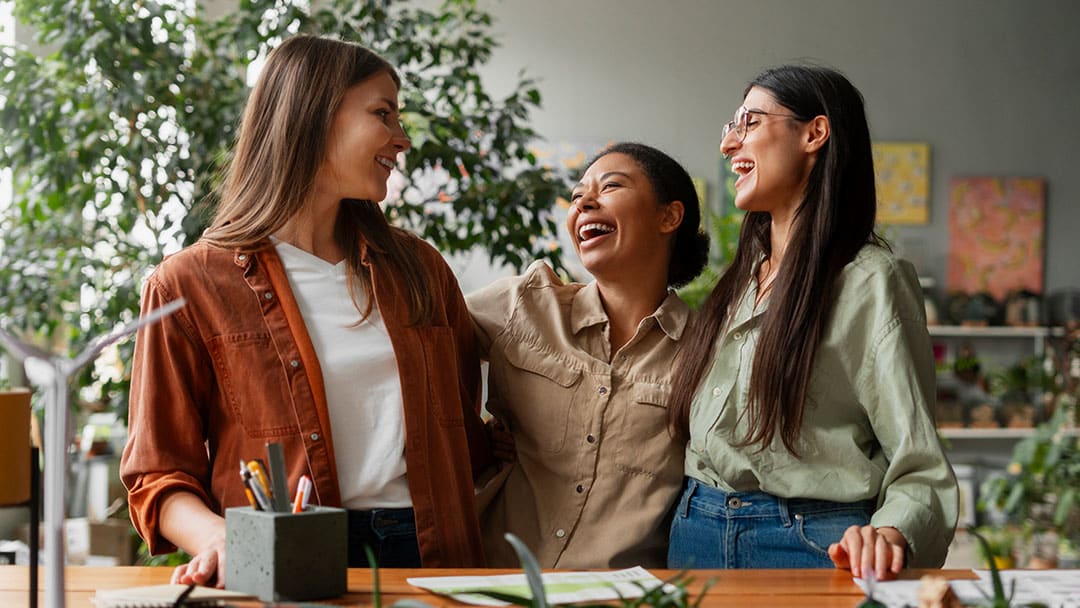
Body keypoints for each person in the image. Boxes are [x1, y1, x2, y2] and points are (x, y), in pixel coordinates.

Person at [120, 35, 492, 586]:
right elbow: (158, 473)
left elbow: (470, 435)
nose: (402, 138)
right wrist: (219, 538)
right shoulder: (188, 284)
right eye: (382, 114)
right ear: (313, 116)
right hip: (284, 561)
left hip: (436, 558)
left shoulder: (421, 269)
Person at [665, 65, 957, 580]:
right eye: (730, 128)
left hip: (810, 542)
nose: (729, 144)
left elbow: (920, 462)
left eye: (748, 122)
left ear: (814, 133)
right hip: (693, 533)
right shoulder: (737, 283)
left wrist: (890, 533)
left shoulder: (871, 281)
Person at [468, 142, 709, 568]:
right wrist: (466, 436)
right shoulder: (524, 303)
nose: (584, 203)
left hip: (621, 595)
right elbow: (411, 348)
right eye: (578, 196)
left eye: (611, 186)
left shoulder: (706, 351)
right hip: (494, 584)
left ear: (669, 216)